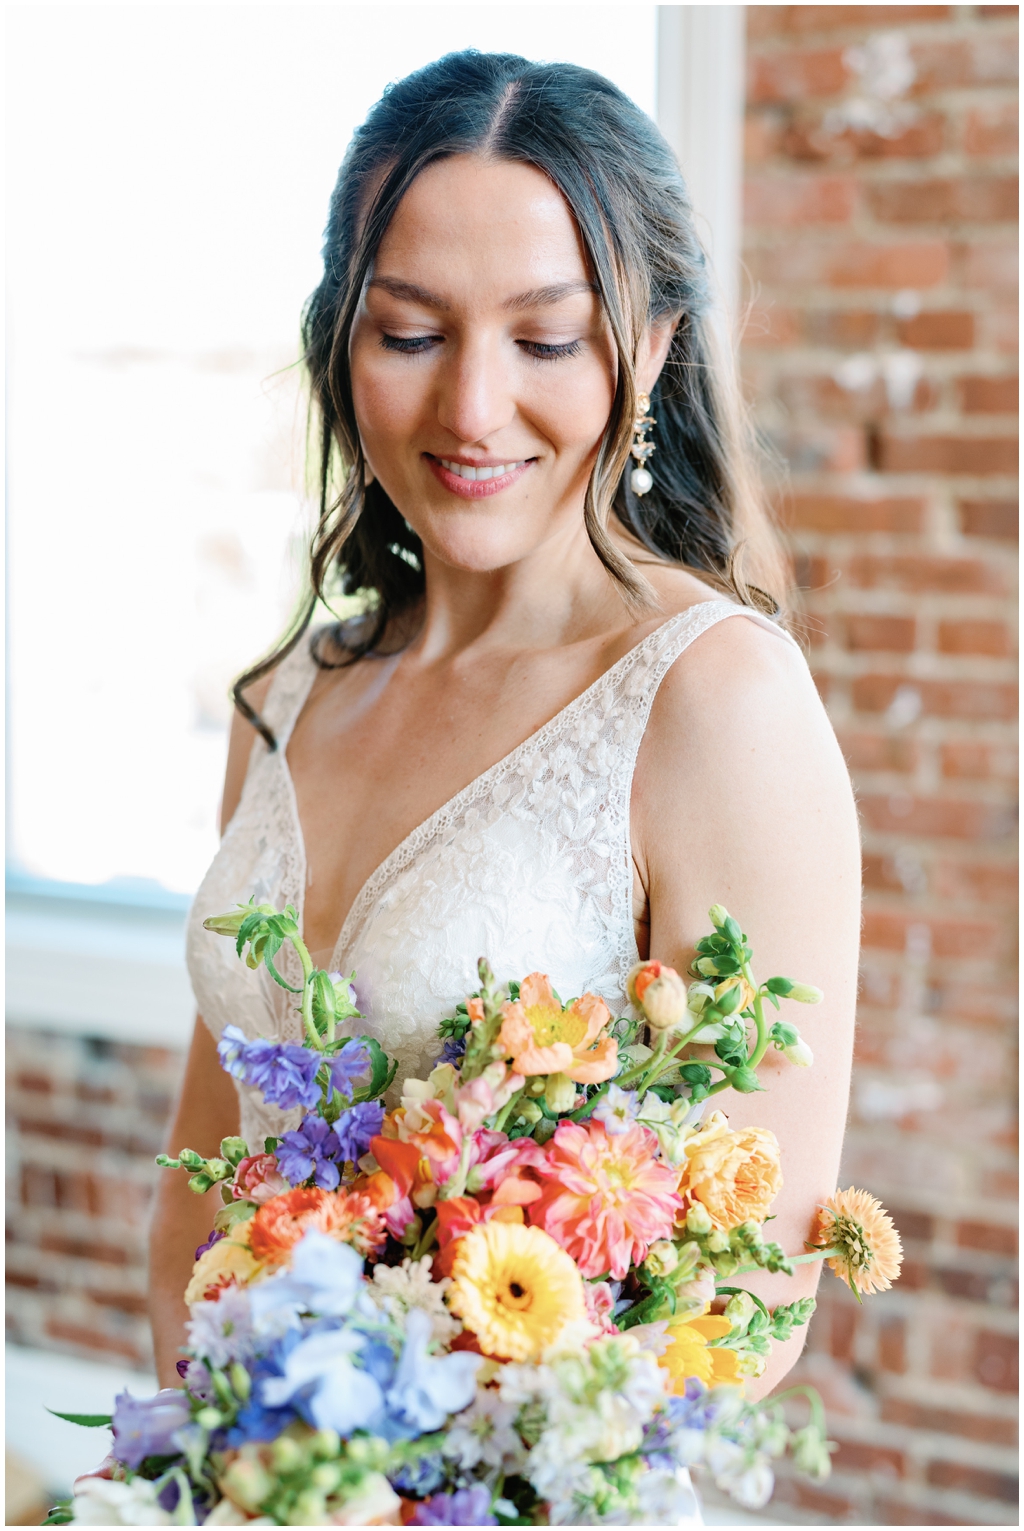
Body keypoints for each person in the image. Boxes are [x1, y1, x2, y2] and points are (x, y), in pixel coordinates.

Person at [149, 51, 860, 1406]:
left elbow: (751, 1309)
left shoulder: (716, 705)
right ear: (340, 341)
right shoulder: (285, 700)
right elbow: (198, 1199)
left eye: (545, 338)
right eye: (410, 334)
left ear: (647, 350)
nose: (472, 409)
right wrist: (223, 1469)